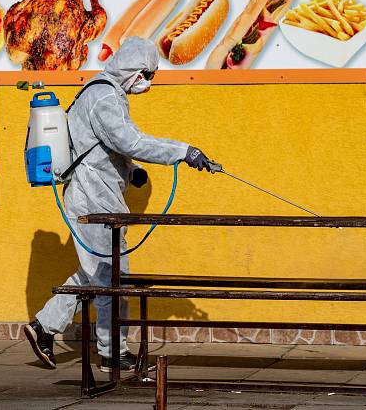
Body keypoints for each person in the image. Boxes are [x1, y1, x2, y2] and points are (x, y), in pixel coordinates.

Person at [24, 36, 220, 371]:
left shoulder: (106, 93)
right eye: (147, 74)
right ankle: (110, 350)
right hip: (92, 197)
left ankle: (45, 327)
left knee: (99, 273)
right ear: (131, 68)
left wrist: (132, 174)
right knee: (114, 276)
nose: (148, 83)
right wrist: (183, 151)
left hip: (97, 193)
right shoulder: (103, 96)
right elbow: (129, 140)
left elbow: (105, 149)